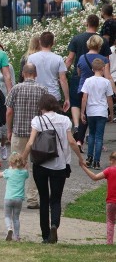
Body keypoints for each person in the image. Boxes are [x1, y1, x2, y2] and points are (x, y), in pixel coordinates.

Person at [22, 94, 85, 244]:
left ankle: (45, 235)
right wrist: (80, 158)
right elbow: (71, 141)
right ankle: (54, 225)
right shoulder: (64, 120)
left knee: (43, 199)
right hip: (60, 165)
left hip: (41, 164)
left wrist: (23, 158)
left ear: (41, 106)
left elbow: (30, 143)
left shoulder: (37, 120)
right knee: (55, 199)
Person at [5, 64, 48, 210]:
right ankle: (32, 199)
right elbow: (45, 113)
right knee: (35, 166)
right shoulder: (42, 89)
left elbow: (9, 111)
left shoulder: (15, 89)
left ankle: (14, 195)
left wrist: (9, 130)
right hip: (36, 134)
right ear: (35, 74)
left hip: (18, 132)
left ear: (23, 73)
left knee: (16, 165)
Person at [79, 58, 113, 169]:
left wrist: (82, 112)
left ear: (92, 69)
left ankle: (89, 158)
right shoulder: (106, 82)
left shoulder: (88, 80)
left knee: (92, 135)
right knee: (99, 137)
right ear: (103, 68)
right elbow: (109, 99)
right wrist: (111, 112)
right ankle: (97, 161)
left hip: (91, 111)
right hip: (102, 111)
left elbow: (84, 98)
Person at [79, 150, 116, 244]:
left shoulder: (109, 170)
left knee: (110, 222)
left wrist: (83, 167)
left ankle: (109, 242)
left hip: (111, 201)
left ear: (112, 160)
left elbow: (95, 177)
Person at [26, 31, 69, 111]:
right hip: (53, 95)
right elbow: (63, 80)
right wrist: (67, 98)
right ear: (53, 43)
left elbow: (28, 76)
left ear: (40, 42)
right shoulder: (58, 58)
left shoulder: (31, 58)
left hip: (36, 94)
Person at [0, 153, 29, 241]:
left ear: (10, 163)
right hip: (19, 199)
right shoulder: (24, 173)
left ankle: (9, 229)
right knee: (16, 217)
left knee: (7, 216)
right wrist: (25, 164)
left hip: (8, 198)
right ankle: (17, 236)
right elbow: (26, 168)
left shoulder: (8, 172)